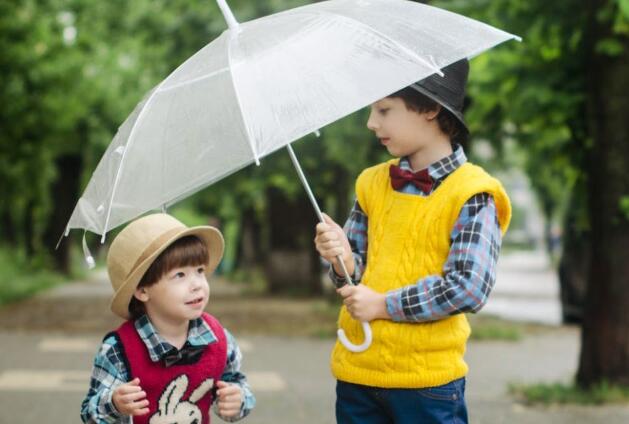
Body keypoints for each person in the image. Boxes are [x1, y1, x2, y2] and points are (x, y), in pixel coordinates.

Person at [314, 59, 511, 424]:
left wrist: (384, 306)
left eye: (384, 109)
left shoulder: (473, 192)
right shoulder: (371, 183)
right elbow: (352, 278)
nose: (372, 122)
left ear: (431, 108)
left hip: (427, 386)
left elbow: (469, 288)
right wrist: (343, 259)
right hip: (357, 371)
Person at [81, 213, 255, 423]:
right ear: (143, 290)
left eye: (200, 271)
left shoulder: (219, 339)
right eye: (180, 275)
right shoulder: (119, 350)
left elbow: (235, 382)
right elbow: (89, 415)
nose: (197, 284)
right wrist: (114, 404)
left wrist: (238, 400)